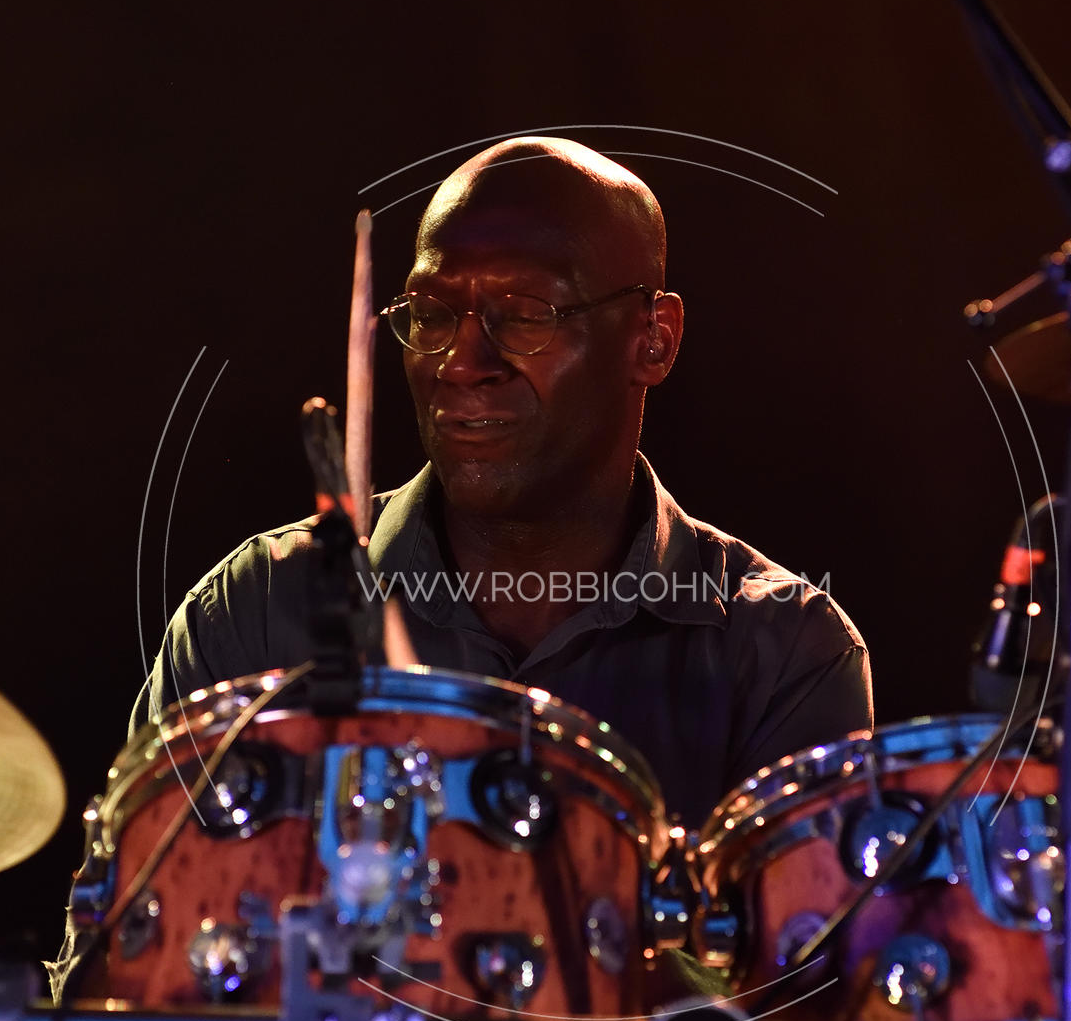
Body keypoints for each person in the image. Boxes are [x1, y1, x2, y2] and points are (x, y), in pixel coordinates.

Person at [133, 137, 871, 823]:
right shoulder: (255, 612)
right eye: (431, 314)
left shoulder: (784, 651)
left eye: (523, 315)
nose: (461, 363)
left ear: (654, 339)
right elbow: (139, 909)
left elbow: (803, 927)